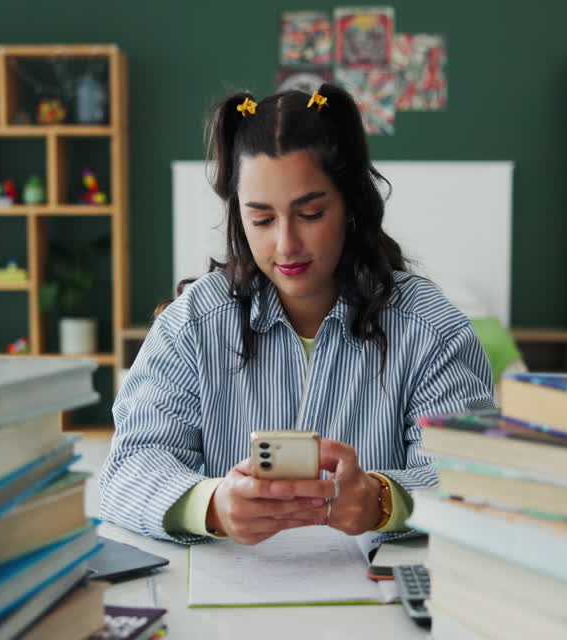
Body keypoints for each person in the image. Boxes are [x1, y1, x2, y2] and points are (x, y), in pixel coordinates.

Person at [97, 83, 495, 545]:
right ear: (238, 217)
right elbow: (127, 470)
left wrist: (382, 500)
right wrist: (211, 505)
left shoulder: (430, 330)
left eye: (310, 213)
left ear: (349, 205)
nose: (285, 245)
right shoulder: (191, 326)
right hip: (224, 602)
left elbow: (474, 482)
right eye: (262, 220)